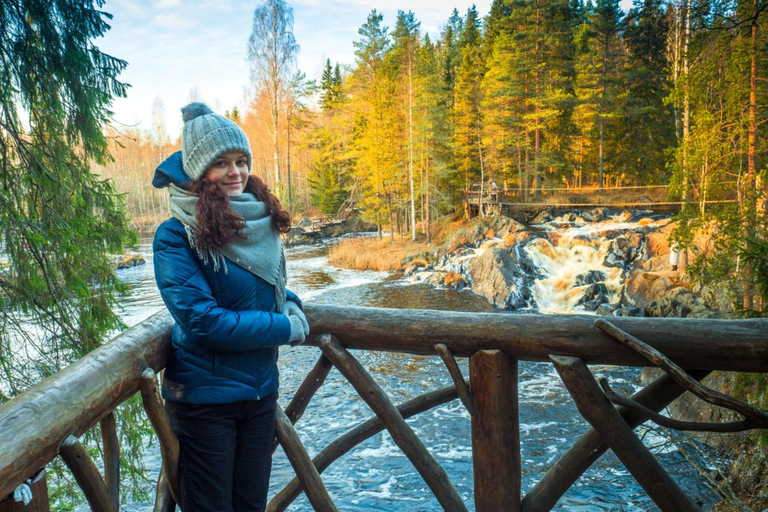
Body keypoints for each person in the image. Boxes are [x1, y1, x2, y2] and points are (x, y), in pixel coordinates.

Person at [151, 102, 309, 512]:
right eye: (221, 163)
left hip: (260, 396)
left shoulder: (259, 221)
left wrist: (291, 304)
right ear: (200, 172)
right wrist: (284, 327)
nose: (235, 172)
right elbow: (204, 321)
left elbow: (267, 289)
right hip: (205, 404)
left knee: (251, 506)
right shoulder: (176, 235)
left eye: (241, 161)